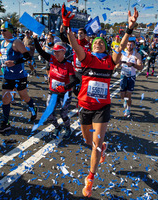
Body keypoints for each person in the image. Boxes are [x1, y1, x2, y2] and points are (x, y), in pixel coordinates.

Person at [61, 3, 139, 197]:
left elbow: (120, 46)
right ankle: (101, 148)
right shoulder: (86, 58)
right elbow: (74, 43)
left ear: (105, 46)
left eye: (101, 43)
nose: (98, 43)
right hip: (85, 107)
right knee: (89, 140)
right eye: (96, 42)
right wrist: (66, 23)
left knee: (95, 144)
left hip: (101, 109)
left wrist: (129, 28)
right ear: (92, 45)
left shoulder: (110, 61)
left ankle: (90, 178)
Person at [33, 35, 78, 139]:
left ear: (63, 52)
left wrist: (66, 87)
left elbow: (75, 80)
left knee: (63, 114)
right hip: (53, 92)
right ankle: (57, 127)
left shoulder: (68, 65)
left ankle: (67, 128)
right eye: (54, 51)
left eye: (58, 52)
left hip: (65, 94)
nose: (55, 53)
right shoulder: (52, 59)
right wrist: (35, 39)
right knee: (49, 114)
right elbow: (40, 51)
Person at [0, 22, 37, 133]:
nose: (2, 32)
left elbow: (27, 57)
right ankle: (6, 124)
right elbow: (3, 56)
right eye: (1, 30)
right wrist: (0, 64)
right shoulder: (2, 42)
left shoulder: (16, 42)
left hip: (19, 76)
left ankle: (33, 108)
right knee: (5, 100)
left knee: (23, 96)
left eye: (4, 30)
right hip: (7, 76)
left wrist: (15, 62)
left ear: (10, 31)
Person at [118, 40, 143, 116]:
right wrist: (118, 64)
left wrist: (132, 64)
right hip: (123, 75)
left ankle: (128, 109)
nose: (129, 46)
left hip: (131, 76)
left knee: (128, 94)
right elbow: (117, 62)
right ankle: (125, 100)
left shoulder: (137, 55)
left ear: (134, 46)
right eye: (128, 45)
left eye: (131, 45)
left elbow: (140, 67)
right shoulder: (123, 53)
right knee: (122, 95)